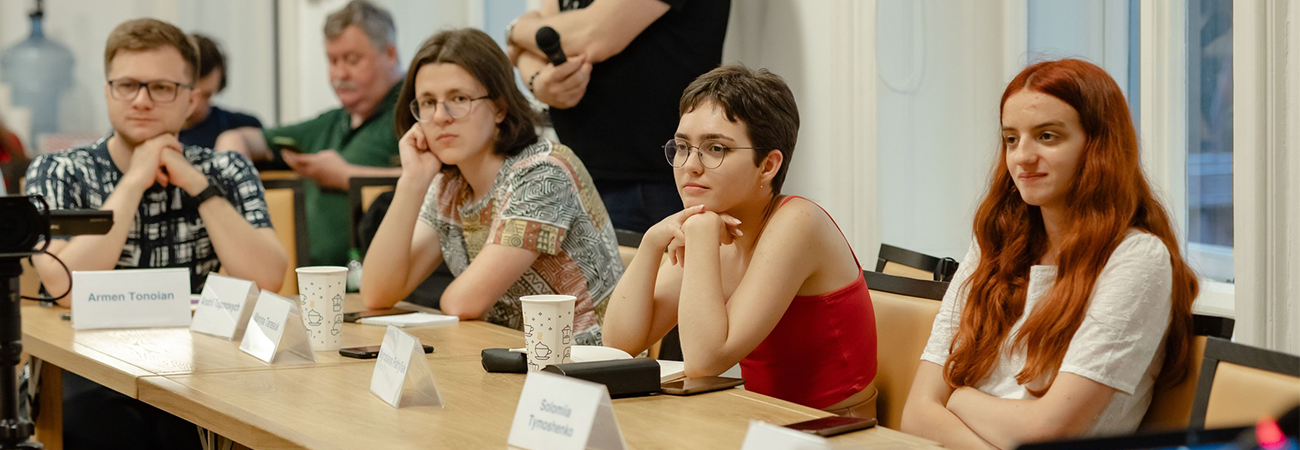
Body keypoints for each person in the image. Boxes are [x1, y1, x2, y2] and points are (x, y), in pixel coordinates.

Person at [899, 59, 1199, 450]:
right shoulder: (996, 241)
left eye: (1047, 137)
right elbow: (915, 413)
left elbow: (1047, 433)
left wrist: (958, 398)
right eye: (1011, 139)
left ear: (1098, 145)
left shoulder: (1137, 258)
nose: (1022, 157)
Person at [22, 18, 286, 450]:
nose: (142, 101)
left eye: (162, 88)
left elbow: (268, 276)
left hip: (205, 368)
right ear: (108, 91)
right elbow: (65, 284)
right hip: (88, 367)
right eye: (127, 85)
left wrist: (195, 183)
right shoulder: (58, 170)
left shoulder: (226, 169)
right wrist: (134, 181)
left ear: (191, 100)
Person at [602, 65, 878, 417]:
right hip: (764, 424)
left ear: (767, 165)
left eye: (715, 148)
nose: (690, 165)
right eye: (683, 147)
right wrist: (652, 242)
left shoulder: (798, 222)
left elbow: (705, 361)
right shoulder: (715, 220)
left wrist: (701, 235)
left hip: (834, 433)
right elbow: (620, 343)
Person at [360, 28, 622, 345]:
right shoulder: (449, 184)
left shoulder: (543, 172)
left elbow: (461, 303)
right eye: (428, 102)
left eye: (459, 99)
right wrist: (412, 181)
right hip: (510, 356)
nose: (441, 117)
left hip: (586, 366)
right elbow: (377, 292)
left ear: (500, 108)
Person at [506, 0, 730, 233]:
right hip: (581, 173)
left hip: (663, 179)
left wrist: (516, 29)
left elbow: (591, 35)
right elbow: (539, 44)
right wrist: (536, 78)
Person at [217, 0, 404, 266]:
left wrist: (347, 177)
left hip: (380, 285)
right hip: (308, 282)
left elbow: (440, 181)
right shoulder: (330, 122)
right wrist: (230, 168)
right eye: (332, 60)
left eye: (352, 60)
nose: (339, 74)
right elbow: (241, 138)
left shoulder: (416, 112)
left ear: (390, 54)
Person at [177, 33, 263, 149]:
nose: (198, 106)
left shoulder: (244, 128)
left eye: (207, 95)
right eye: (191, 96)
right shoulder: (151, 131)